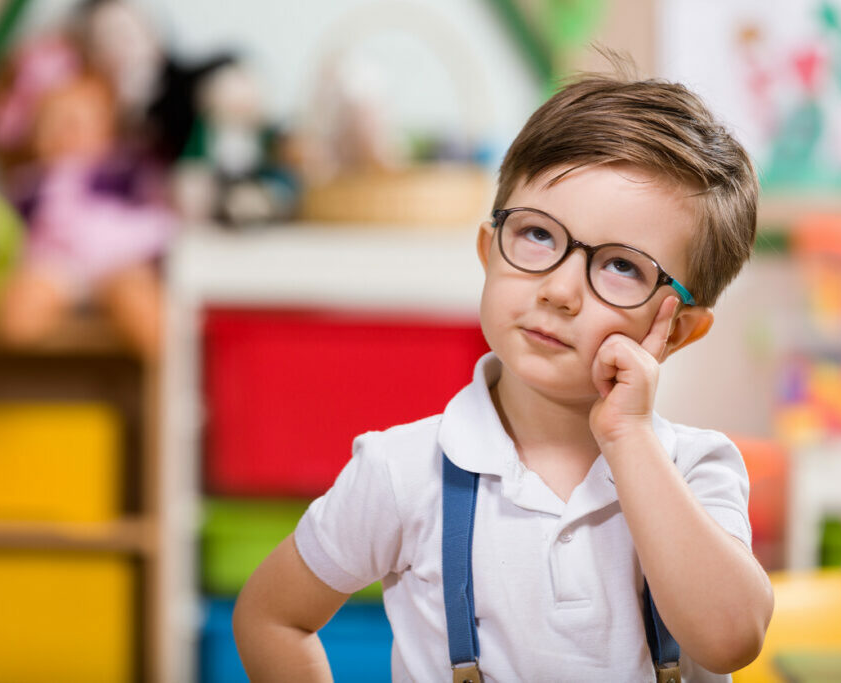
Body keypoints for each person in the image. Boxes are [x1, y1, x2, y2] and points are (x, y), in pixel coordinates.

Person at [232, 64, 775, 681]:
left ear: (675, 329)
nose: (561, 289)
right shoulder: (403, 472)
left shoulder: (695, 469)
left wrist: (629, 437)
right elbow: (271, 616)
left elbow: (732, 638)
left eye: (623, 267)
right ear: (490, 252)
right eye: (539, 234)